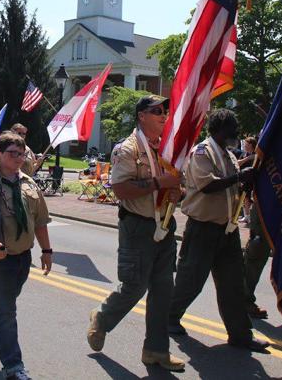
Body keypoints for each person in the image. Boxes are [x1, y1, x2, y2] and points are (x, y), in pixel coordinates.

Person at [86, 95, 185, 371]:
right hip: (137, 225)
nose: (164, 116)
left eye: (165, 111)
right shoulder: (127, 148)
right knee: (134, 286)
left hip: (164, 224)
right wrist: (158, 182)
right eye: (157, 111)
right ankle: (101, 318)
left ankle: (156, 350)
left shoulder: (166, 149)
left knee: (163, 290)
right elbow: (120, 189)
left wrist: (178, 190)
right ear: (142, 115)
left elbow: (172, 181)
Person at [167, 109, 269, 352]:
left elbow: (233, 184)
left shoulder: (228, 155)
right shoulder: (202, 152)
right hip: (202, 229)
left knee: (233, 284)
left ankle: (240, 334)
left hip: (227, 229)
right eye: (232, 127)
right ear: (218, 129)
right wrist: (237, 178)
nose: (236, 132)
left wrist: (247, 179)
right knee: (191, 281)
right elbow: (207, 185)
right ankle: (169, 317)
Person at [0, 131, 53, 380]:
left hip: (22, 258)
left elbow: (40, 221)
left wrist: (46, 250)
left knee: (1, 304)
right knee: (6, 311)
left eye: (21, 153)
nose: (18, 158)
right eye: (12, 153)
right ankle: (13, 367)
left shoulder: (29, 183)